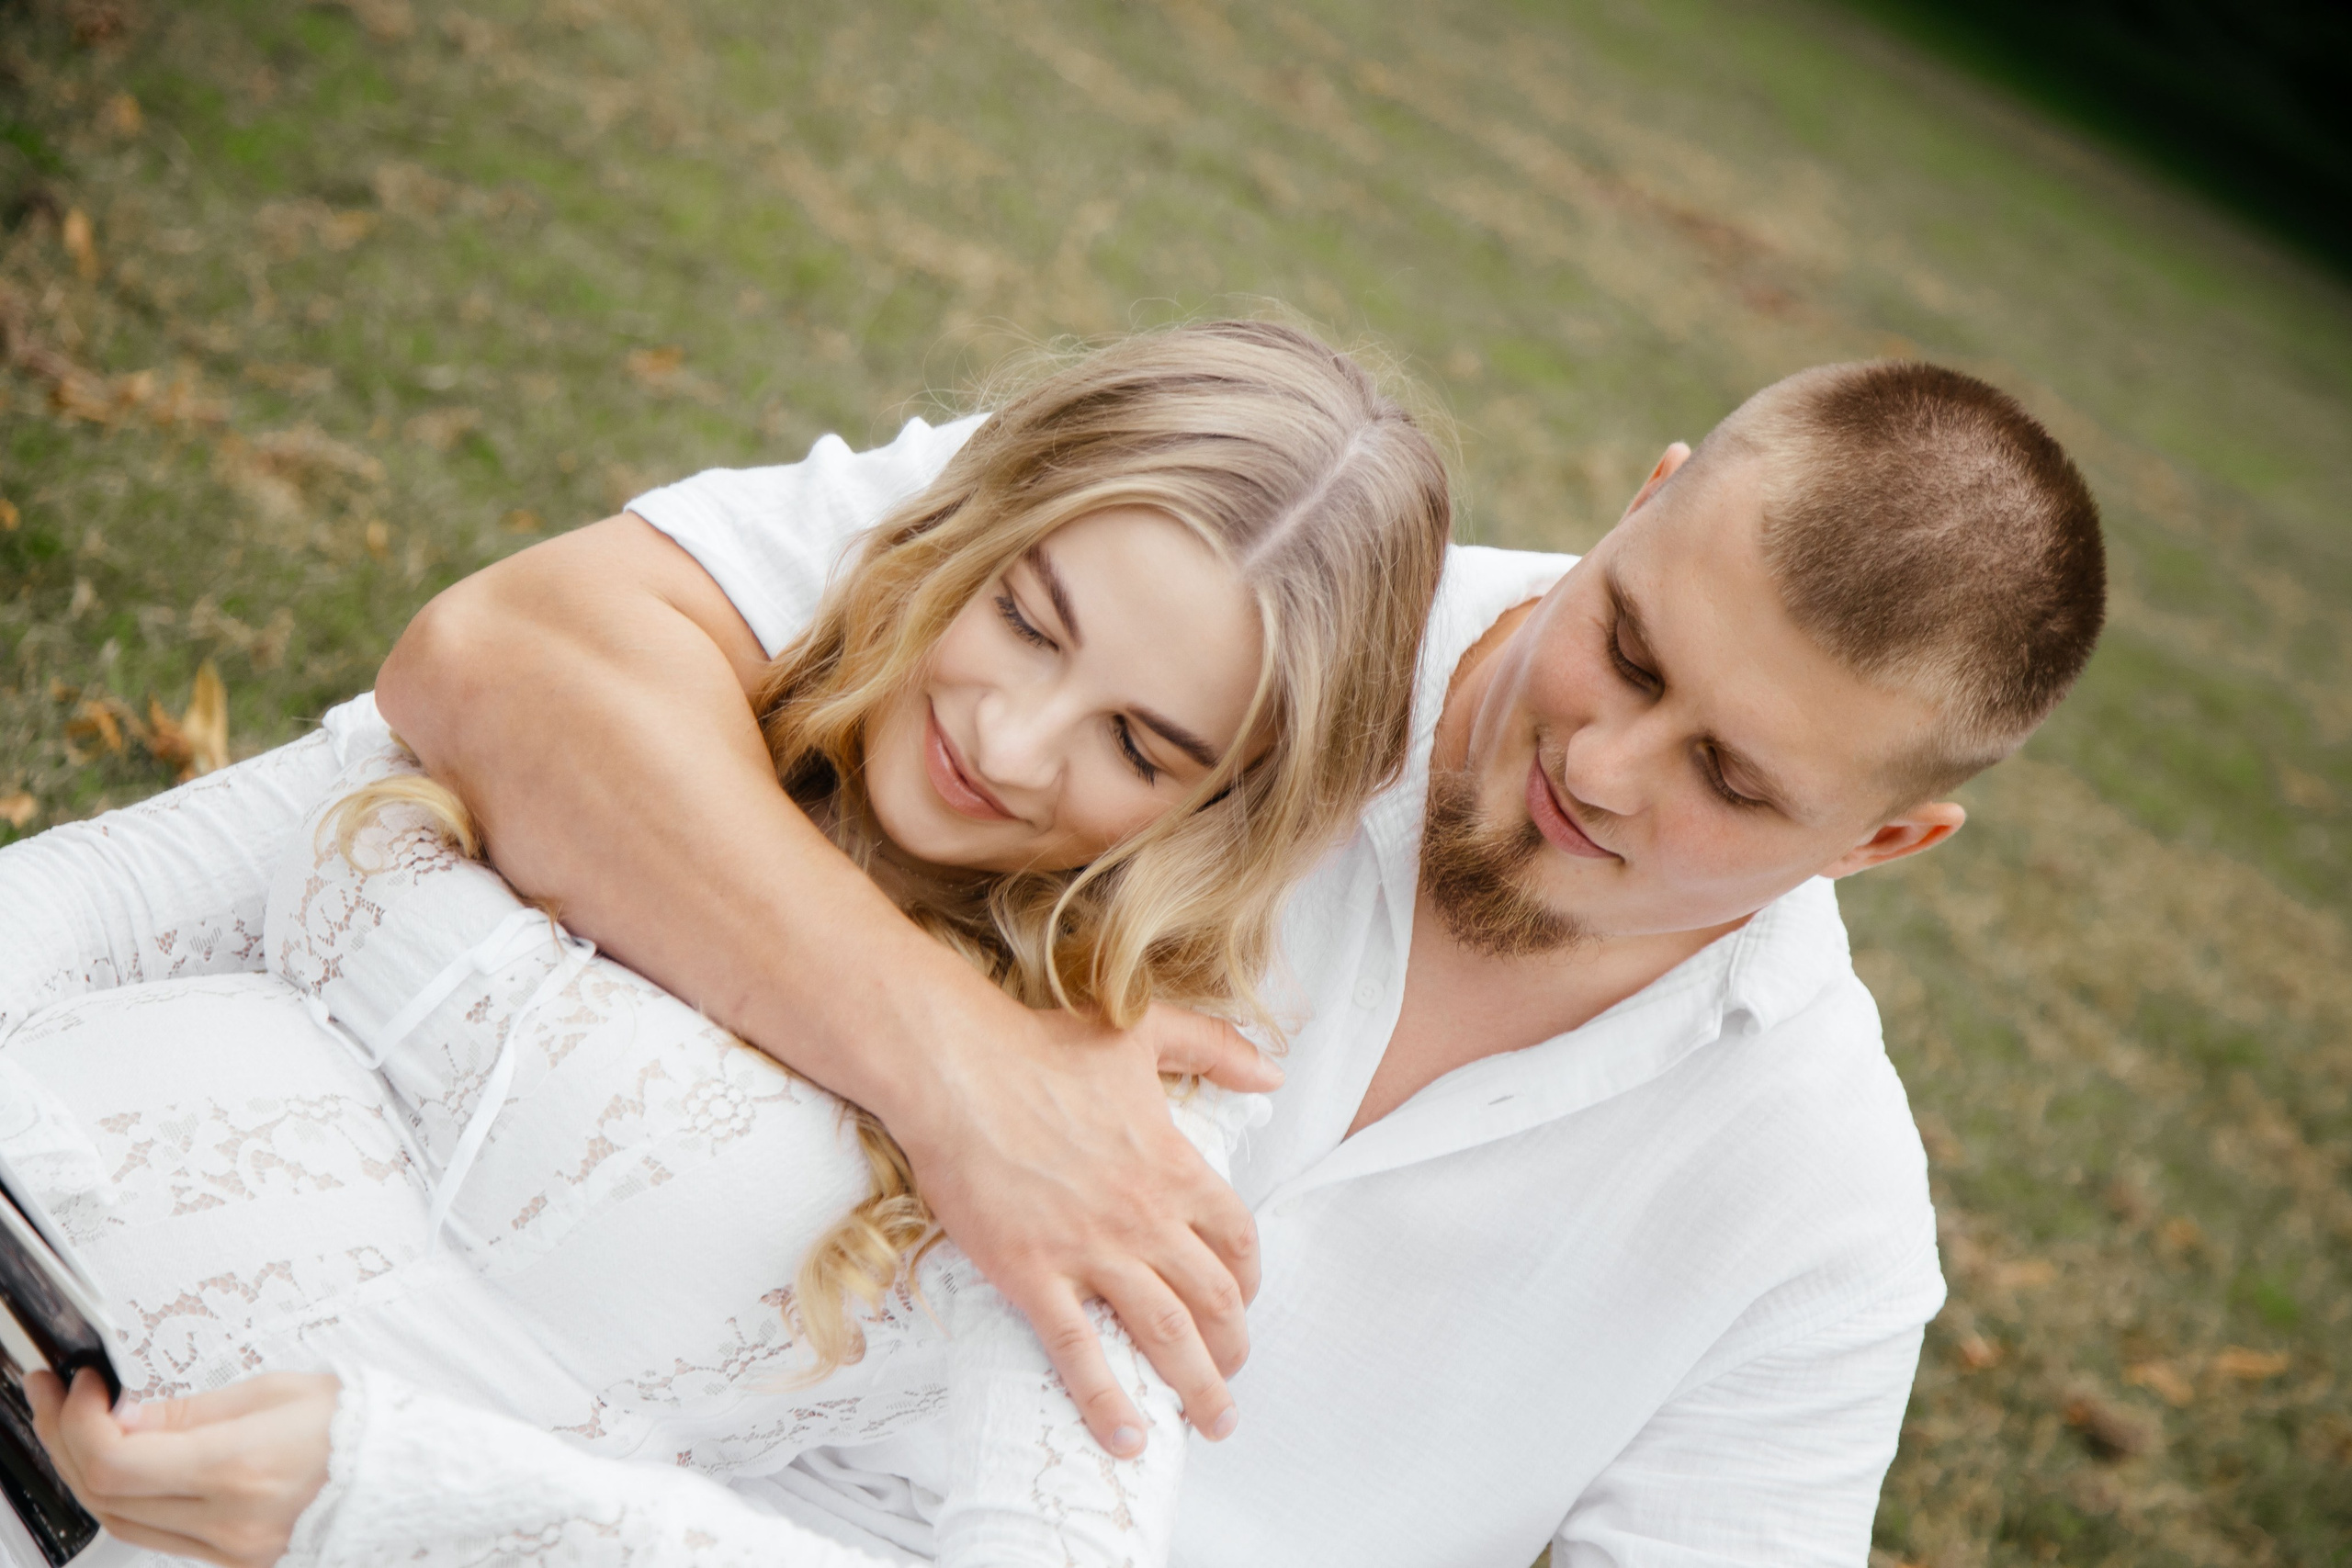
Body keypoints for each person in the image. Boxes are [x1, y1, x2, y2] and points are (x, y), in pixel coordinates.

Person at [32, 358, 2105, 1567]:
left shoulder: (1810, 1231)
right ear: (1644, 502)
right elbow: (507, 666)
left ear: (1890, 839)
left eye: (1727, 776)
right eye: (1625, 640)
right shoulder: (1235, 584)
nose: (1597, 756)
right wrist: (964, 1064)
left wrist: (407, 1494)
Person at [0, 321, 1453, 1566]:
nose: (1010, 743)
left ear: (1226, 806)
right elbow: (122, 892)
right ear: (974, 526)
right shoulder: (670, 694)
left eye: (1137, 745)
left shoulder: (1130, 1107)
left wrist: (402, 1499)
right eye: (1024, 618)